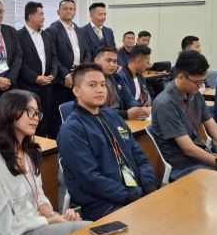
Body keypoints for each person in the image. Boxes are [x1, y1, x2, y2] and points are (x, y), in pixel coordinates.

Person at [0, 89, 88, 235]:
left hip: (33, 228)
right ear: (10, 112)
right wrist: (49, 221)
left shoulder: (27, 152)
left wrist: (55, 216)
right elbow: (4, 227)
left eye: (37, 113)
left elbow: (38, 197)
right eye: (30, 112)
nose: (36, 117)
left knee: (82, 231)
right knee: (84, 232)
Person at [58, 63, 158, 220]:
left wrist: (150, 187)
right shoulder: (72, 130)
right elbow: (90, 179)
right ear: (77, 91)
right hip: (103, 204)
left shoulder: (113, 117)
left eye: (103, 85)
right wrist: (130, 198)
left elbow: (139, 156)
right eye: (92, 85)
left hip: (136, 191)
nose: (100, 89)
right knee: (151, 224)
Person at [150, 51, 217, 181]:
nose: (200, 86)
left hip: (200, 158)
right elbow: (188, 149)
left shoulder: (194, 94)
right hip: (182, 166)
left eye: (203, 81)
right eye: (197, 82)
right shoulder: (165, 104)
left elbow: (214, 128)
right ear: (181, 77)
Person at [16, 1, 58, 138]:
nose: (43, 17)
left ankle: (43, 151)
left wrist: (52, 74)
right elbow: (19, 63)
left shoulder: (47, 35)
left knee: (45, 121)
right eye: (41, 14)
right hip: (29, 88)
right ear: (31, 16)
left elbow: (54, 58)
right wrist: (35, 78)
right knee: (29, 121)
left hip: (48, 87)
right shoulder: (18, 36)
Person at [93, 46, 146, 120]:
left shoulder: (117, 78)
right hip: (103, 121)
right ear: (96, 60)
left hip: (120, 118)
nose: (112, 65)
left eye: (115, 61)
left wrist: (139, 109)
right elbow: (96, 111)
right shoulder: (91, 83)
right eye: (108, 60)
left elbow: (129, 99)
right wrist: (125, 114)